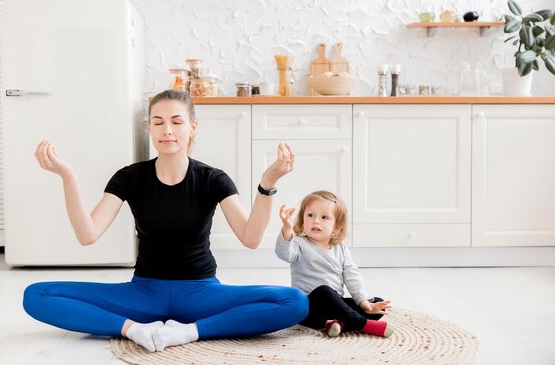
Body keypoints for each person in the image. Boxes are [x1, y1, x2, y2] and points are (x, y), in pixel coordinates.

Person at [23, 90, 308, 352]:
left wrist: (268, 183)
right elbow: (88, 234)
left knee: (295, 302)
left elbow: (251, 238)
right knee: (37, 295)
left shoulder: (213, 179)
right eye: (157, 122)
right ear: (149, 128)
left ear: (192, 127)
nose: (167, 130)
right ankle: (133, 330)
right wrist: (67, 176)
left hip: (201, 291)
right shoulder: (130, 177)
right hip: (143, 292)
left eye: (176, 121)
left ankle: (189, 332)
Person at [275, 190, 394, 338]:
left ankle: (338, 323)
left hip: (334, 306)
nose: (316, 221)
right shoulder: (299, 244)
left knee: (376, 303)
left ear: (337, 227)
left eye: (324, 217)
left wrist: (364, 303)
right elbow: (283, 253)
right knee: (324, 291)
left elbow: (352, 276)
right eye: (310, 215)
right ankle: (362, 324)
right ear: (303, 219)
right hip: (308, 309)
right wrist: (287, 228)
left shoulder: (341, 248)